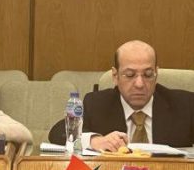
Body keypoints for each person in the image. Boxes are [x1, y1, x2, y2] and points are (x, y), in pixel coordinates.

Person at [48, 40, 194, 150]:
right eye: (130, 75)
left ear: (156, 74)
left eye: (148, 75)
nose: (139, 84)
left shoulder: (185, 105)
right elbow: (58, 132)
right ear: (115, 76)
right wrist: (94, 140)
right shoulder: (97, 104)